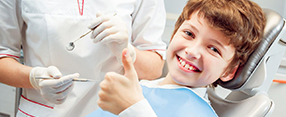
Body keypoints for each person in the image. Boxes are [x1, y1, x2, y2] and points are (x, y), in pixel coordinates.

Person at [0, 0, 167, 116]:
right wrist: (35, 78)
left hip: (113, 112)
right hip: (44, 112)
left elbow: (155, 67)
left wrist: (126, 51)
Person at [93, 0, 266, 116]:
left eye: (213, 49)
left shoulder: (198, 112)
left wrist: (134, 109)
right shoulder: (140, 88)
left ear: (229, 71)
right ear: (174, 33)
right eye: (189, 33)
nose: (192, 51)